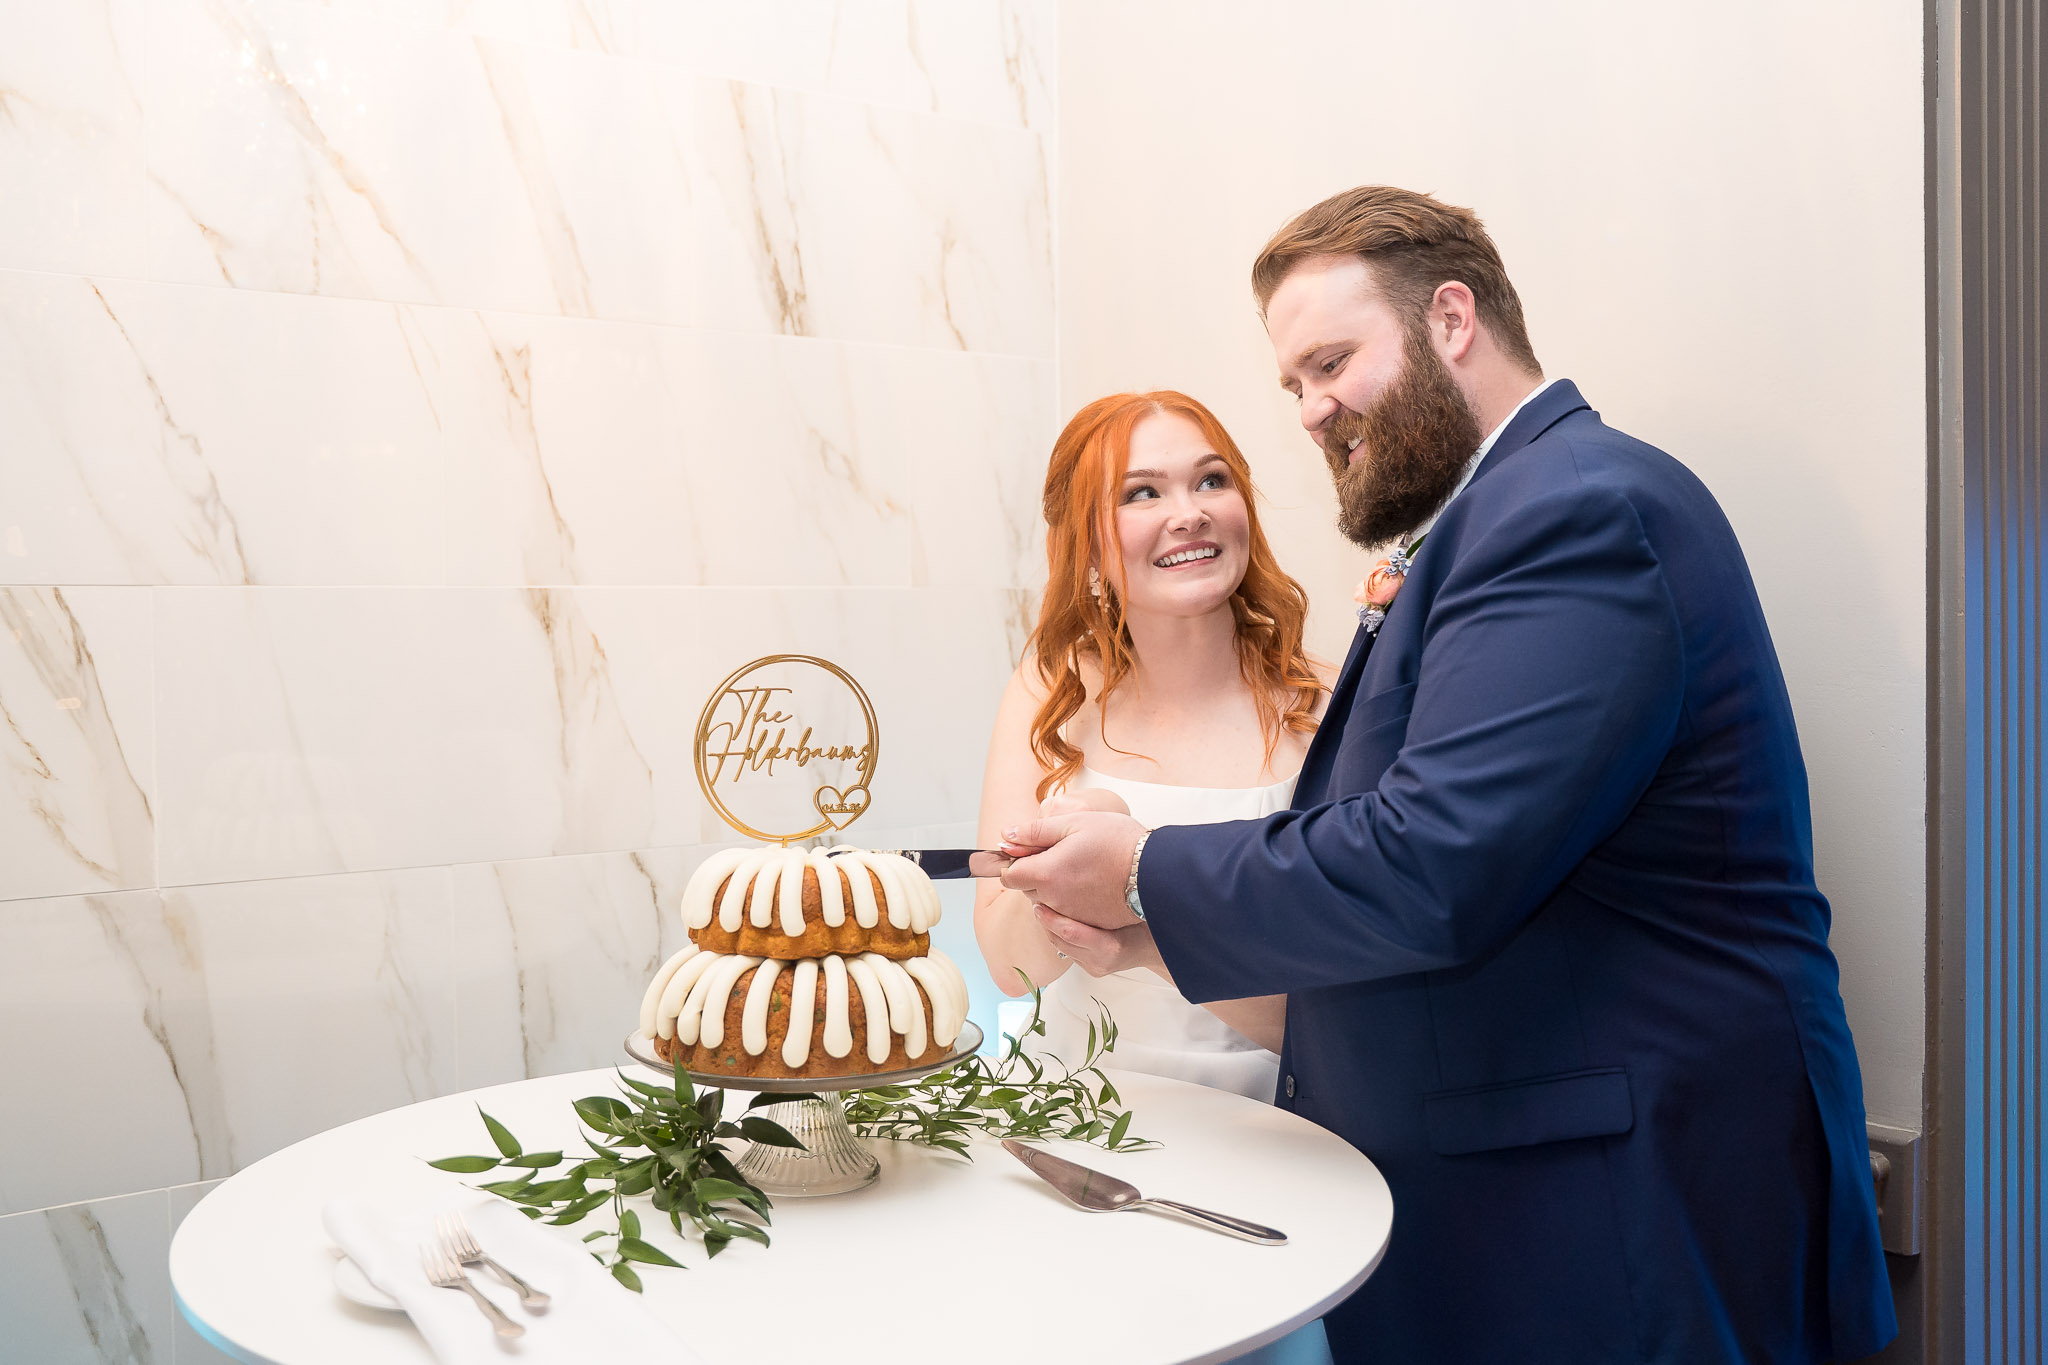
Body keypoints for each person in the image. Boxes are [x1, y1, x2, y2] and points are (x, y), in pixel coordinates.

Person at [1000, 187, 1897, 1364]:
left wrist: (1148, 872)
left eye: (1329, 363)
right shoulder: (1499, 515)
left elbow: (1432, 863)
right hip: (1511, 1180)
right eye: (1293, 385)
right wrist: (1149, 934)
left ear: (1452, 320)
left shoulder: (1572, 510)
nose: (1313, 410)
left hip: (1619, 1196)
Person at [974, 390, 1331, 1101]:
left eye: (1211, 480)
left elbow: (1341, 1020)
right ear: (1087, 544)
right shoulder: (1051, 689)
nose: (1189, 512)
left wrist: (1144, 898)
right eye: (1142, 492)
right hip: (1067, 1104)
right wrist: (1051, 880)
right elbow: (1008, 972)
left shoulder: (1324, 705)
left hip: (1269, 1113)